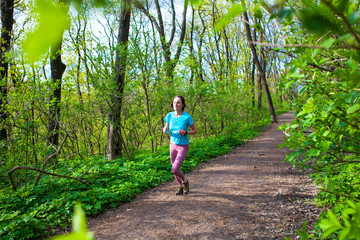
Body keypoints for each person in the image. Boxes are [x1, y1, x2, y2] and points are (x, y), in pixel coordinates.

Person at [163, 95, 197, 195]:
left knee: (174, 169)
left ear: (182, 105)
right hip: (172, 144)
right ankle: (180, 186)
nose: (175, 104)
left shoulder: (187, 117)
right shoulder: (169, 115)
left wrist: (185, 132)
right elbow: (166, 128)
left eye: (178, 102)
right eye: (174, 102)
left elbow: (195, 131)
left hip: (183, 146)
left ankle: (185, 181)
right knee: (174, 168)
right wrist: (165, 130)